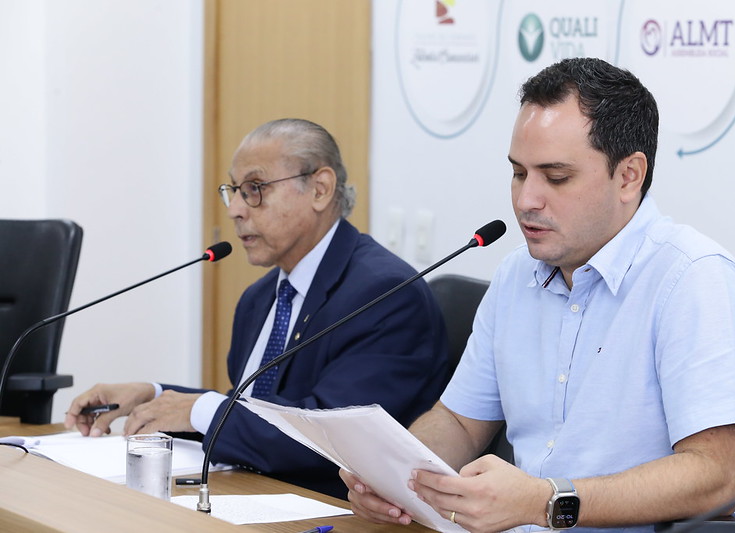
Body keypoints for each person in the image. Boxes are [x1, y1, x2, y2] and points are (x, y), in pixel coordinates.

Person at [341, 57, 735, 532]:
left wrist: (546, 502)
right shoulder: (514, 276)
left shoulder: (695, 278)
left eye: (556, 177)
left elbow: (715, 478)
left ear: (629, 176)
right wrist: (396, 475)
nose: (526, 200)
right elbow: (459, 423)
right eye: (519, 173)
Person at [65, 118, 450, 498]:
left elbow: (329, 439)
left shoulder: (385, 294)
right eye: (232, 190)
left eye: (254, 188)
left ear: (320, 189)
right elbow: (257, 410)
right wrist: (155, 396)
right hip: (253, 497)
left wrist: (198, 408)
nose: (234, 209)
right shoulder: (261, 297)